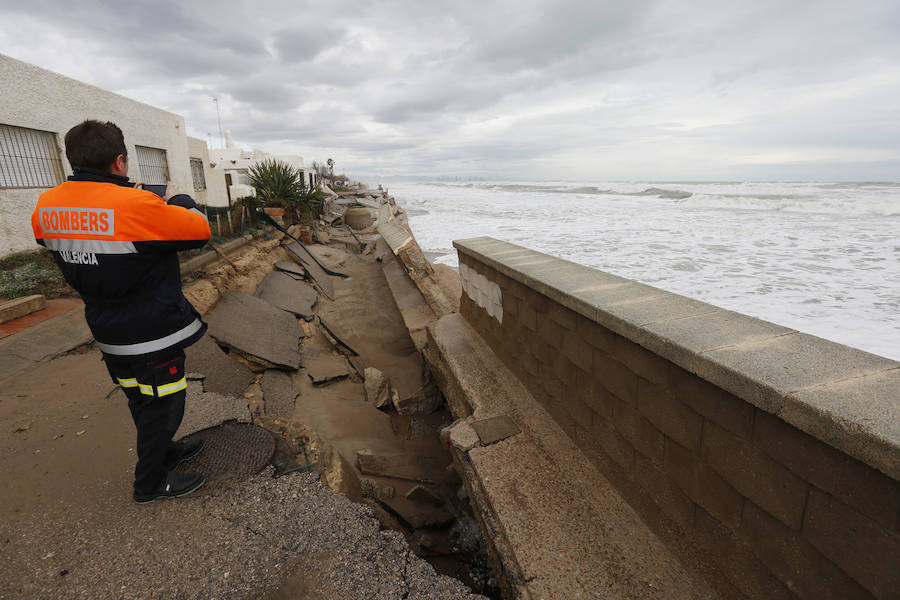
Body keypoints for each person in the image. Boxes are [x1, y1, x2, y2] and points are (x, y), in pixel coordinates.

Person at [31, 120, 212, 504]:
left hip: (107, 328)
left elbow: (60, 241)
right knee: (163, 403)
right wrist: (176, 198)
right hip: (152, 329)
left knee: (140, 398)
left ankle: (164, 452)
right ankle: (150, 482)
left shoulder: (46, 205)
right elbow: (198, 230)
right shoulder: (137, 205)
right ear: (119, 162)